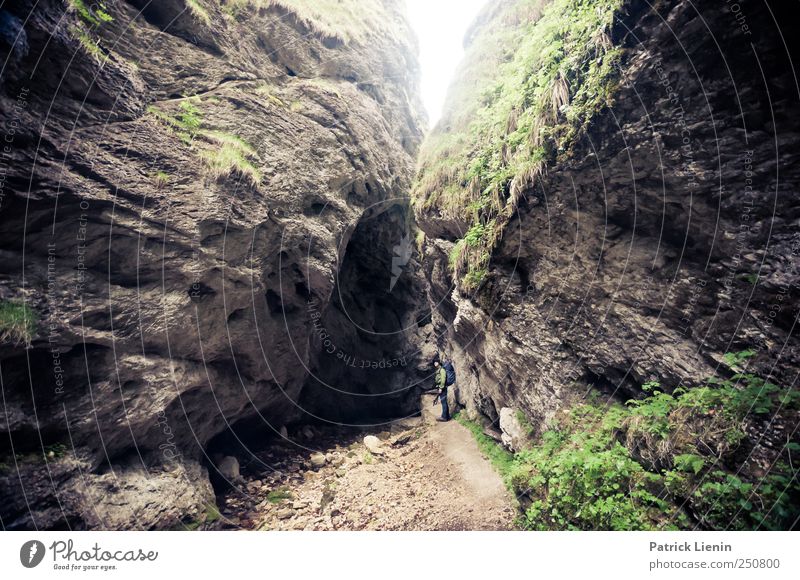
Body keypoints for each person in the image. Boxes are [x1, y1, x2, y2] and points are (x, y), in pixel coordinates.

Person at [432, 354, 456, 422]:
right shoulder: (439, 369)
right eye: (434, 362)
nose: (435, 363)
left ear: (439, 362)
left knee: (443, 402)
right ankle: (447, 416)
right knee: (444, 401)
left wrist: (441, 388)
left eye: (436, 362)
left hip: (442, 387)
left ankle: (444, 417)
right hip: (441, 387)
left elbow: (443, 379)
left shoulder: (442, 370)